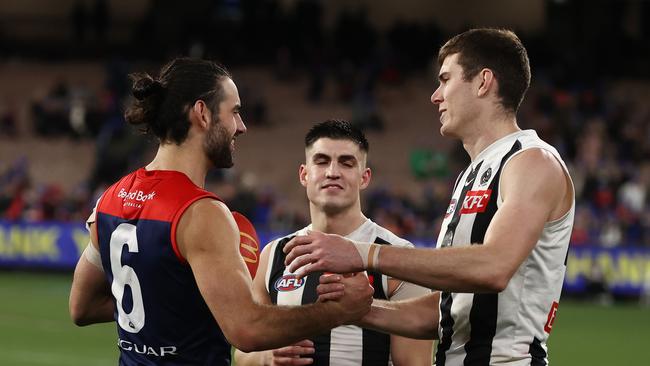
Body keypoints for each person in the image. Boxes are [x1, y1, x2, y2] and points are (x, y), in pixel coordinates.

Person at [284, 28, 575, 366]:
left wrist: (362, 253)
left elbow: (494, 267)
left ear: (483, 82)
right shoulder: (472, 174)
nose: (435, 96)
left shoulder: (532, 161)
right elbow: (444, 313)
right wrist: (359, 311)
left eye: (445, 79)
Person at [68, 58, 373, 365]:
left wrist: (176, 297)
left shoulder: (111, 197)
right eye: (235, 112)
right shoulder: (201, 213)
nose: (241, 126)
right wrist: (338, 311)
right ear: (202, 113)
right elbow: (247, 329)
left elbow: (82, 307)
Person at [234, 120, 433, 365]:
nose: (332, 172)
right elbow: (244, 350)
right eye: (321, 161)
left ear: (364, 177)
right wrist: (265, 357)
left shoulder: (396, 255)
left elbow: (415, 362)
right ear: (304, 174)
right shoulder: (273, 254)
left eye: (346, 163)